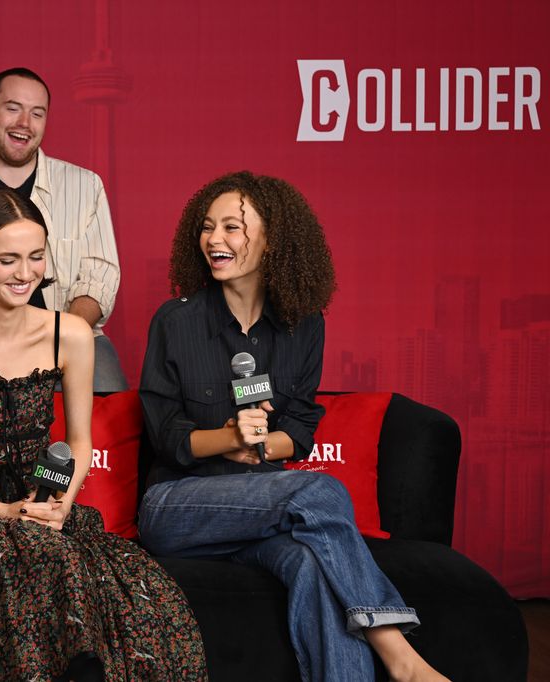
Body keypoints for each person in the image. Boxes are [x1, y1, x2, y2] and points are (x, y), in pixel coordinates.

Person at [0, 188, 207, 680]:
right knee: (29, 559)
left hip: (41, 506)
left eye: (35, 256)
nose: (26, 273)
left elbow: (79, 442)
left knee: (135, 601)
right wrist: (4, 513)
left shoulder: (68, 333)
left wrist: (60, 505)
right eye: (8, 259)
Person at [138, 171, 449, 682]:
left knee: (311, 563)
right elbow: (168, 436)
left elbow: (301, 425)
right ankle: (399, 654)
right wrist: (234, 437)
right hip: (180, 503)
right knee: (319, 490)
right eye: (207, 227)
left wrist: (260, 449)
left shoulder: (304, 324)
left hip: (261, 502)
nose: (215, 239)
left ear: (273, 238)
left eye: (232, 227)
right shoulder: (176, 321)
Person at [0, 67, 128, 391]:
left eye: (37, 113)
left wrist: (61, 339)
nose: (24, 124)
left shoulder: (85, 186)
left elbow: (100, 278)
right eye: (13, 108)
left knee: (106, 430)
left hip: (71, 338)